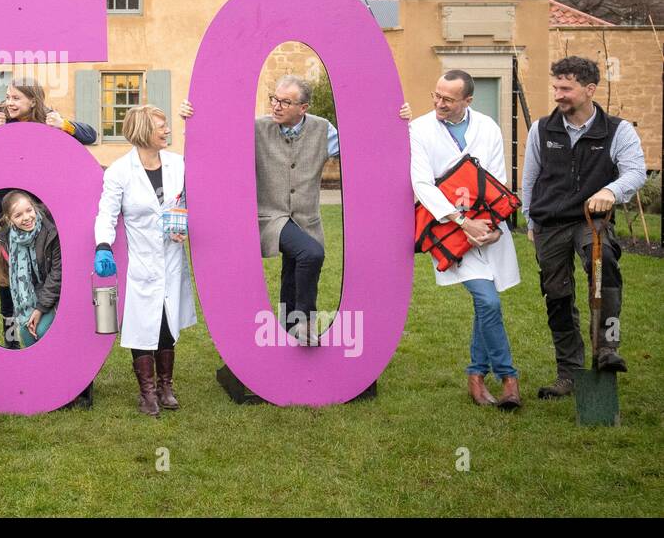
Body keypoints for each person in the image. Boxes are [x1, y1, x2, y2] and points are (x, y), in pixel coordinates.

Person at [181, 81, 410, 343]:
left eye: (285, 102)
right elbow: (219, 139)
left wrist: (397, 122)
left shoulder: (323, 130)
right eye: (274, 99)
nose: (276, 106)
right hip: (269, 217)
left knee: (293, 272)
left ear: (303, 107)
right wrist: (193, 118)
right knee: (311, 254)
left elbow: (364, 148)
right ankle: (305, 322)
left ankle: (287, 333)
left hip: (306, 218)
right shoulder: (257, 128)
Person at [522, 56, 646, 398]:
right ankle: (569, 373)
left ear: (589, 89)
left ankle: (606, 348)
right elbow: (530, 177)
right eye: (556, 87)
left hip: (590, 220)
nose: (558, 94)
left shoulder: (617, 130)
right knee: (557, 295)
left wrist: (610, 191)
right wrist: (530, 218)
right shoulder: (543, 128)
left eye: (566, 88)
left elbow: (636, 172)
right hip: (550, 223)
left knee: (602, 261)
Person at [409, 70, 522, 408]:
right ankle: (509, 378)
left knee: (485, 304)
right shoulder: (418, 130)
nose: (439, 103)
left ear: (467, 101)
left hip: (487, 228)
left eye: (448, 99)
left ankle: (475, 375)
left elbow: (496, 178)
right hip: (447, 230)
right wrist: (462, 222)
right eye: (436, 95)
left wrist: (489, 225)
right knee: (487, 301)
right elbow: (422, 184)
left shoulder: (487, 127)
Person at [94, 105, 196, 417]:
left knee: (168, 320)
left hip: (172, 257)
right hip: (141, 261)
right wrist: (103, 246)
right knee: (141, 324)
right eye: (160, 127)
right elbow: (107, 214)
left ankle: (166, 386)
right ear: (142, 132)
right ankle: (147, 392)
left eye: (167, 126)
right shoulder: (119, 172)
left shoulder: (178, 164)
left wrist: (184, 224)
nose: (167, 131)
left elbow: (193, 201)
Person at [0, 79, 96, 348]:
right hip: (4, 215)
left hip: (39, 215)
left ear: (33, 101)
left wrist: (64, 126)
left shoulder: (47, 118)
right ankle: (11, 342)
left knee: (42, 273)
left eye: (17, 98)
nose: (10, 102)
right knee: (8, 278)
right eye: (8, 96)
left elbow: (90, 135)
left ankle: (45, 337)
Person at [0, 190, 62, 347]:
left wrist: (40, 309)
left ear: (34, 207)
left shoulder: (50, 232)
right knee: (26, 335)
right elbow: (4, 276)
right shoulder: (6, 239)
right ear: (10, 220)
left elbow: (57, 275)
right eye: (18, 215)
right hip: (30, 298)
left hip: (55, 296)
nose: (26, 218)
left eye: (29, 210)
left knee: (41, 331)